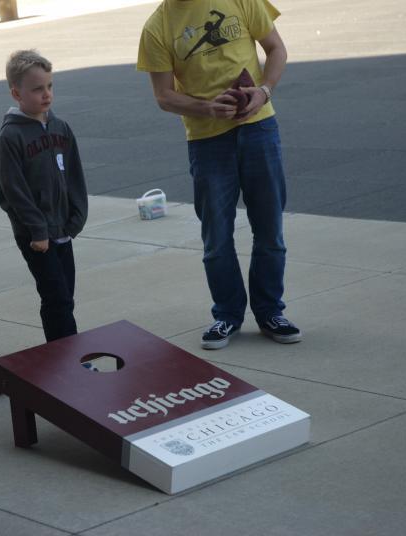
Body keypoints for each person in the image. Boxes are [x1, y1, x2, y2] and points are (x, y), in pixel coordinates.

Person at [137, 0, 302, 350]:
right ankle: (227, 315)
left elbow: (276, 49)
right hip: (207, 141)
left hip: (259, 128)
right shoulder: (157, 26)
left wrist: (263, 91)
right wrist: (206, 108)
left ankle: (271, 311)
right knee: (216, 237)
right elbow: (163, 96)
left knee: (270, 229)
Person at [0, 50, 88, 342]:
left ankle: (59, 356)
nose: (46, 95)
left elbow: (74, 175)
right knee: (56, 297)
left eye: (49, 86)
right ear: (16, 93)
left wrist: (76, 218)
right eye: (37, 89)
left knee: (64, 298)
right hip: (36, 238)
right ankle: (69, 359)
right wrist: (37, 229)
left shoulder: (61, 128)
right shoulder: (10, 139)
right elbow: (12, 192)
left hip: (63, 229)